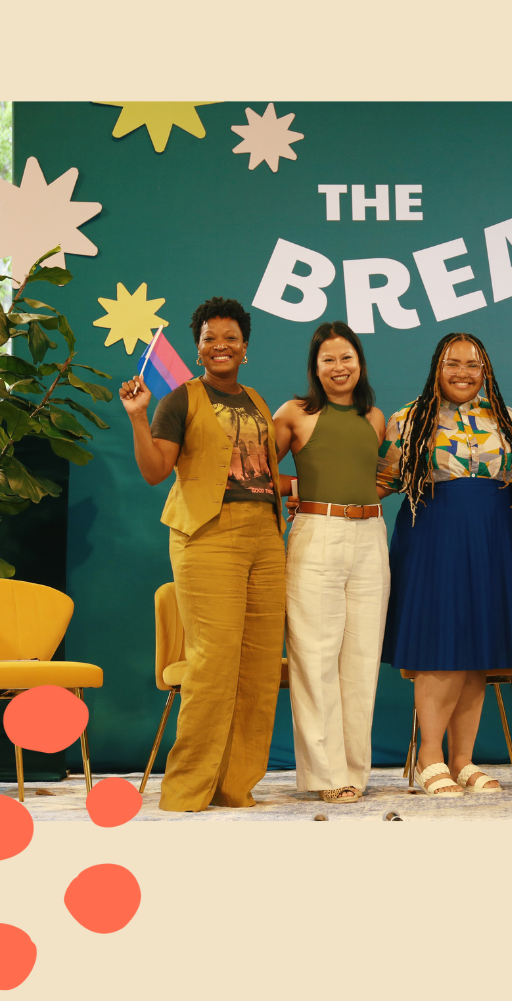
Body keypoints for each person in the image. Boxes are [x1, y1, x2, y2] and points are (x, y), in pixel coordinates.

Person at [118, 297, 290, 813]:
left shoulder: (258, 401)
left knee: (259, 668)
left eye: (231, 338)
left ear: (245, 348)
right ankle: (188, 789)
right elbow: (155, 471)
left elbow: (254, 473)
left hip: (265, 535)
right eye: (210, 338)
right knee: (212, 664)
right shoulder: (180, 401)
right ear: (197, 350)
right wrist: (138, 416)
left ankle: (235, 786)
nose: (221, 345)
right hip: (208, 536)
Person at [379, 333, 512, 795]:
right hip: (433, 539)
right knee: (439, 646)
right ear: (436, 367)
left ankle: (463, 760)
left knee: (476, 652)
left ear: (485, 371)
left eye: (473, 365)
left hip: (493, 541)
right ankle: (430, 755)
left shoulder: (508, 420)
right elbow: (382, 481)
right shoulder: (408, 419)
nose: (464, 373)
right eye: (453, 363)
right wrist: (308, 500)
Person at [272, 322, 388, 806]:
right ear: (315, 368)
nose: (339, 368)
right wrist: (300, 491)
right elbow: (253, 472)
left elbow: (374, 474)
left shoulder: (375, 417)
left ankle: (353, 773)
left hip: (371, 536)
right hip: (317, 536)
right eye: (328, 360)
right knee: (315, 656)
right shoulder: (295, 413)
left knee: (361, 659)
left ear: (359, 363)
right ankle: (325, 774)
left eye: (347, 358)